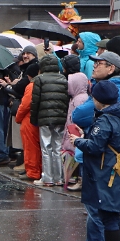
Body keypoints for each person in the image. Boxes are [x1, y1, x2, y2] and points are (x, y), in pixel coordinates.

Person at [70, 80, 120, 241]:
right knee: (113, 218)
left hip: (108, 174)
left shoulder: (106, 120)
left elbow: (95, 147)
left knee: (108, 217)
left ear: (98, 100)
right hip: (119, 172)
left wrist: (78, 141)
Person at [31, 54, 69, 186]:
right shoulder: (63, 78)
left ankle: (47, 178)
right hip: (60, 117)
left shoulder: (39, 79)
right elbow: (66, 100)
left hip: (44, 117)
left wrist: (34, 118)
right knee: (57, 147)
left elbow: (35, 101)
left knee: (46, 148)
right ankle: (58, 178)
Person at [62, 70, 90, 190]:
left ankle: (78, 179)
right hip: (73, 131)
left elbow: (76, 118)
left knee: (77, 155)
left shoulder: (79, 99)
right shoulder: (77, 97)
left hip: (75, 132)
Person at [15, 61, 42, 180]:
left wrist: (18, 117)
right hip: (37, 119)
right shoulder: (41, 84)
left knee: (30, 147)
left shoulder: (31, 86)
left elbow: (25, 105)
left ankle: (32, 171)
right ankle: (36, 169)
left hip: (28, 120)